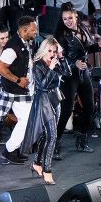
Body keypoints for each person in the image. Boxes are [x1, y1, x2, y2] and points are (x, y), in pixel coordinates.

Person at [54, 6, 101, 153]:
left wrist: (99, 46)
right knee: (66, 110)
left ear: (76, 16)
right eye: (65, 19)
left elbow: (86, 49)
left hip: (84, 72)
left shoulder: (83, 28)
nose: (68, 21)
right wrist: (73, 63)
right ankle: (54, 144)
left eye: (70, 18)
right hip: (69, 75)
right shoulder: (61, 35)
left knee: (89, 107)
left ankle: (81, 140)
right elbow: (57, 58)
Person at [19, 37, 67, 185]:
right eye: (50, 51)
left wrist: (61, 57)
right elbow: (42, 86)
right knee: (52, 136)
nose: (52, 54)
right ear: (44, 50)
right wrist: (51, 69)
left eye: (54, 51)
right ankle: (47, 170)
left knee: (47, 136)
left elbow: (67, 73)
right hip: (44, 101)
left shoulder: (56, 61)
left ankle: (37, 163)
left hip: (55, 100)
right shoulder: (38, 65)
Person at [0, 17, 38, 165]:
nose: (36, 32)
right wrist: (18, 80)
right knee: (26, 121)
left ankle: (13, 150)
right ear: (24, 30)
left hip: (26, 90)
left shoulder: (27, 42)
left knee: (28, 121)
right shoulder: (12, 47)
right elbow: (0, 68)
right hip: (15, 91)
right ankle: (9, 150)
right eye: (33, 30)